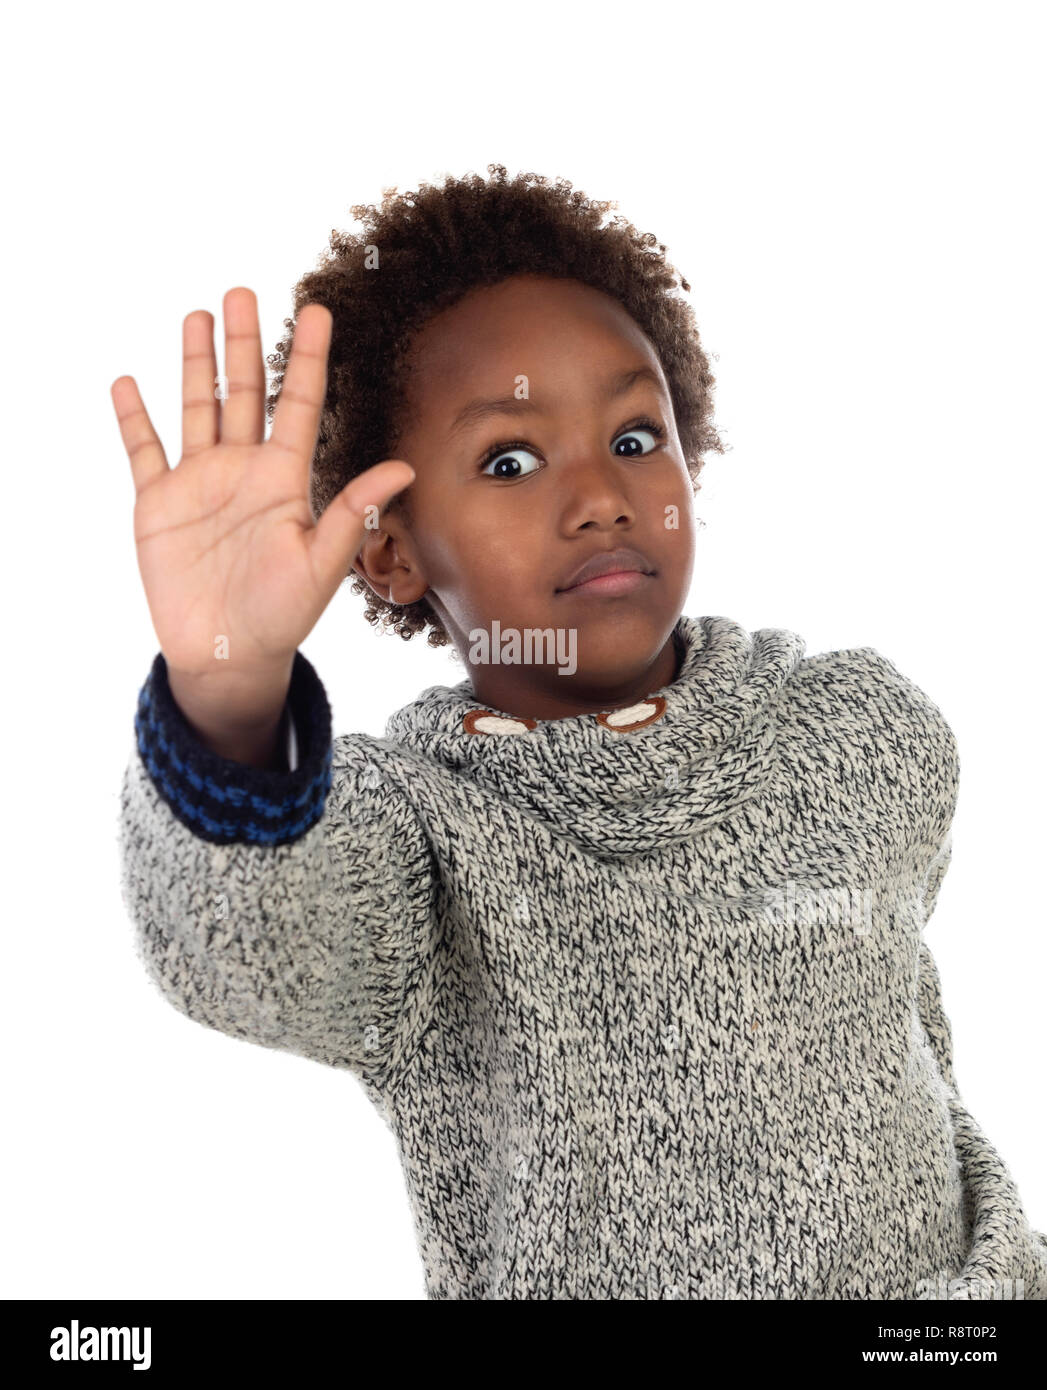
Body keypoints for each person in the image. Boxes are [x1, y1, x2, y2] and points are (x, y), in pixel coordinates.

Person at [112, 165, 1047, 1300]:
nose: (602, 494)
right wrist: (230, 691)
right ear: (393, 553)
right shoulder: (412, 835)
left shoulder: (856, 727)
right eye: (510, 459)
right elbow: (254, 949)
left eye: (636, 437)